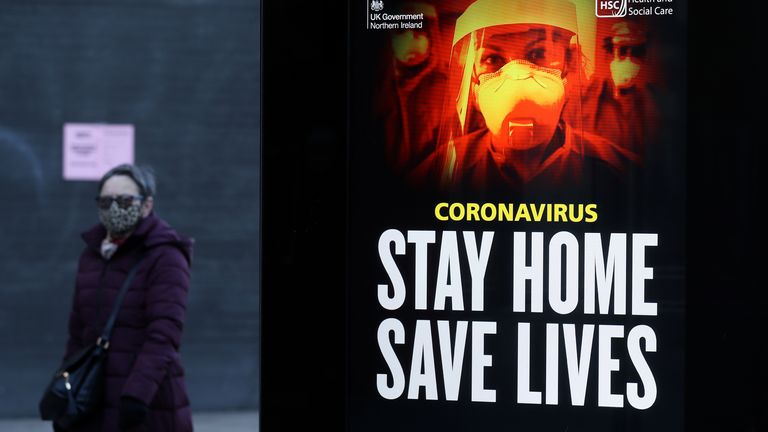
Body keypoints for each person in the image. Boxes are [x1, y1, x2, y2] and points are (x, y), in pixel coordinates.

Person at [433, 0, 637, 194]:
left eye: (538, 53)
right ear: (473, 82)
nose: (517, 76)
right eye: (493, 58)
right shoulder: (440, 171)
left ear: (571, 65)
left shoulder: (621, 173)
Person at [56, 164, 193, 431]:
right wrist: (65, 392)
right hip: (93, 400)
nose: (115, 208)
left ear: (146, 206)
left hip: (147, 403)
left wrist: (136, 396)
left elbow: (163, 336)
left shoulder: (165, 256)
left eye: (125, 200)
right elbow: (78, 336)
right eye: (106, 201)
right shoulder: (92, 256)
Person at [582, 19, 658, 159]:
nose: (629, 62)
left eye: (636, 53)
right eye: (622, 52)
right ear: (610, 54)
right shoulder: (588, 97)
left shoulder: (653, 102)